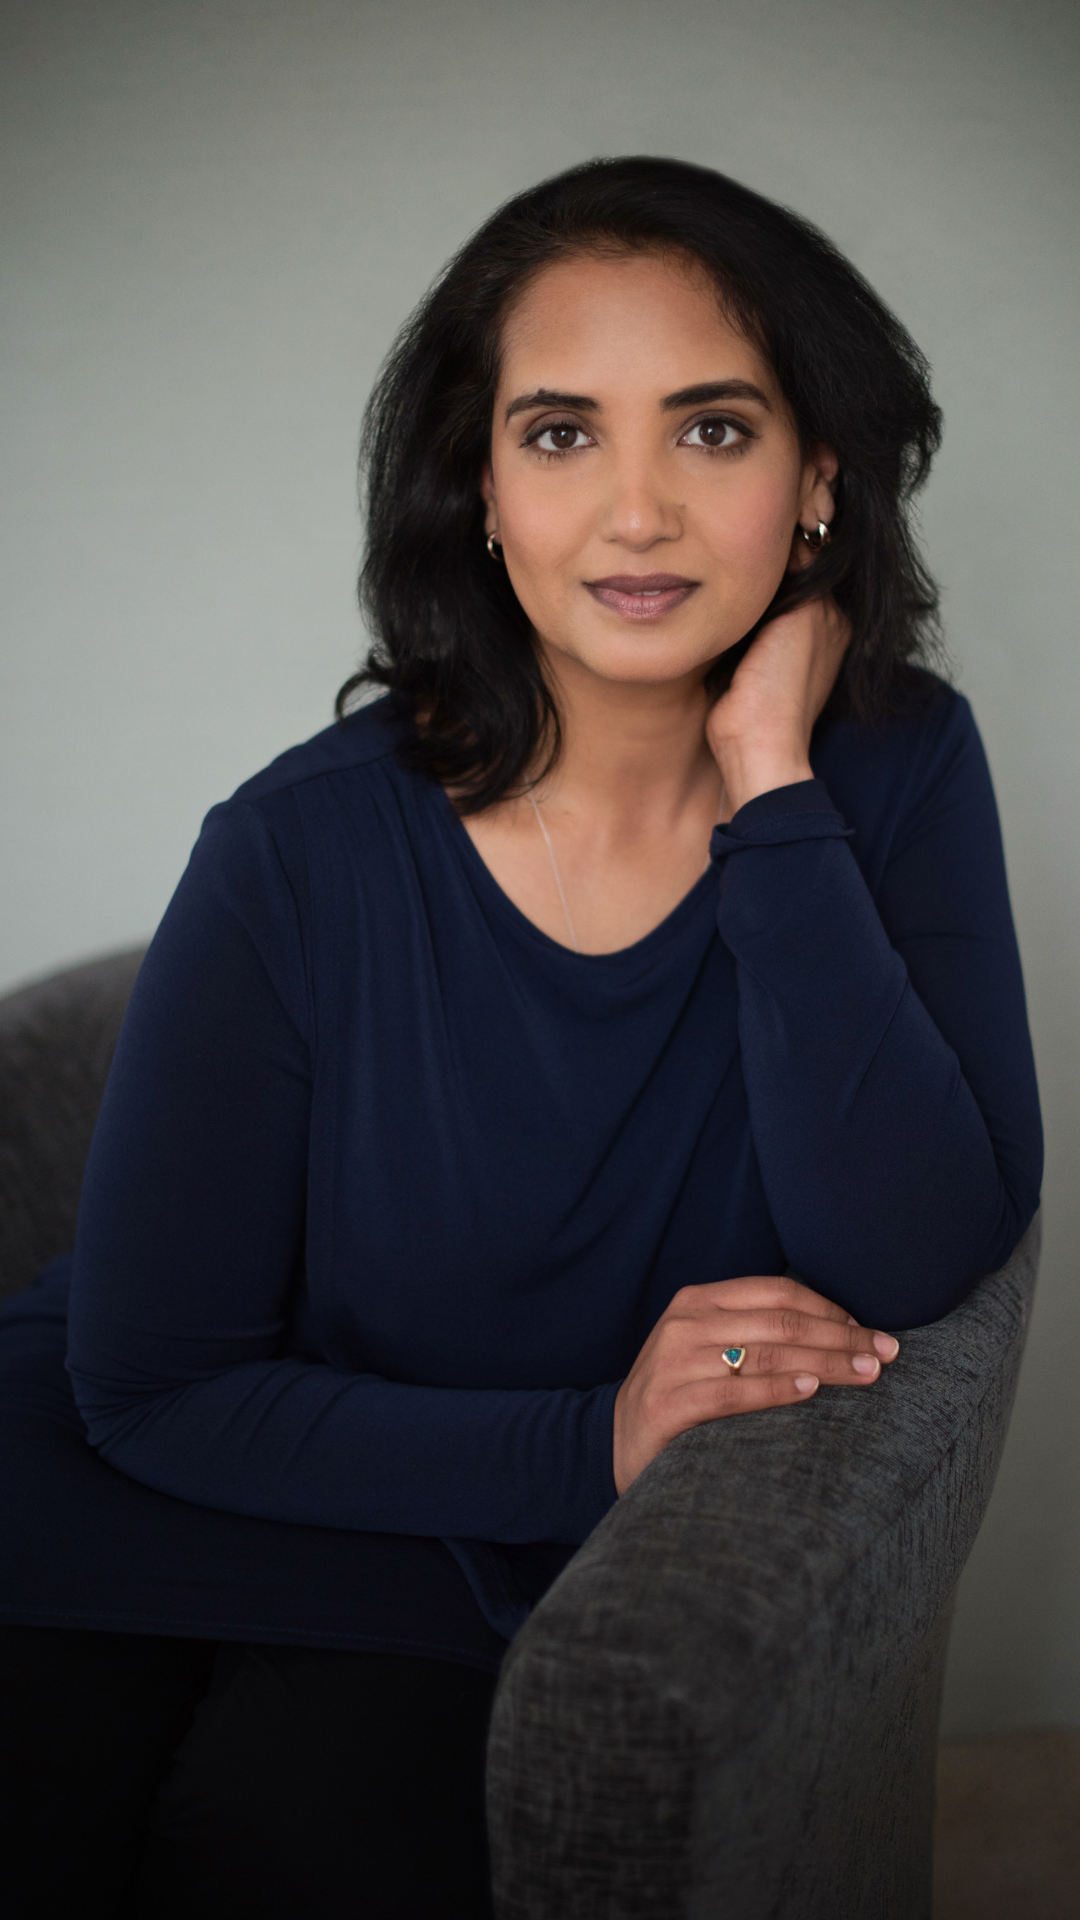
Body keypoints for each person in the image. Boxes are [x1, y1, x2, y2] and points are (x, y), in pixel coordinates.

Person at [0, 156, 1041, 1918]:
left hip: (515, 1587)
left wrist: (771, 788)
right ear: (482, 490)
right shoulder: (298, 847)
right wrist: (596, 1441)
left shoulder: (889, 771)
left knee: (307, 1841)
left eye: (712, 431)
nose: (635, 509)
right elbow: (152, 1387)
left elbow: (921, 1243)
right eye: (561, 434)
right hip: (153, 1496)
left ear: (818, 485)